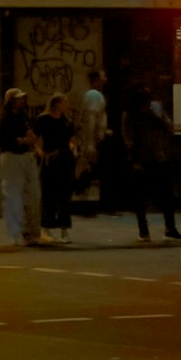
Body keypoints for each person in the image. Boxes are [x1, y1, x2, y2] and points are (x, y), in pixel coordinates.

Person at [121, 86, 181, 242]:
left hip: (158, 157)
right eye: (145, 103)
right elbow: (128, 139)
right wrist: (134, 160)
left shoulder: (153, 113)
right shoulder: (130, 116)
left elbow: (169, 127)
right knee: (141, 198)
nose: (148, 106)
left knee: (166, 195)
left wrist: (156, 117)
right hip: (142, 160)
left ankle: (169, 228)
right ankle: (144, 230)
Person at [0, 88, 41, 247]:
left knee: (32, 194)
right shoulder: (6, 119)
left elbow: (30, 135)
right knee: (13, 195)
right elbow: (4, 140)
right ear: (11, 101)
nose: (22, 101)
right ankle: (15, 232)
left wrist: (28, 140)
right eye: (18, 98)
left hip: (25, 156)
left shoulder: (22, 116)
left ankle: (30, 231)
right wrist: (22, 141)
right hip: (12, 157)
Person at [33, 93, 76, 243]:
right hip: (50, 159)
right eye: (64, 102)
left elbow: (72, 140)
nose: (66, 105)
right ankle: (47, 227)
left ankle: (64, 229)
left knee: (65, 195)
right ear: (56, 104)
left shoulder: (67, 122)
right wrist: (41, 153)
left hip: (65, 159)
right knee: (49, 195)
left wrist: (71, 150)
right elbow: (35, 139)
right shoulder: (43, 120)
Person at [77, 69, 109, 210]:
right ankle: (83, 197)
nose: (105, 79)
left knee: (89, 169)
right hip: (92, 141)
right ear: (96, 79)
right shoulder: (94, 95)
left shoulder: (94, 95)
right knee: (88, 169)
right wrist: (90, 143)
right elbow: (91, 118)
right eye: (103, 76)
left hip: (94, 140)